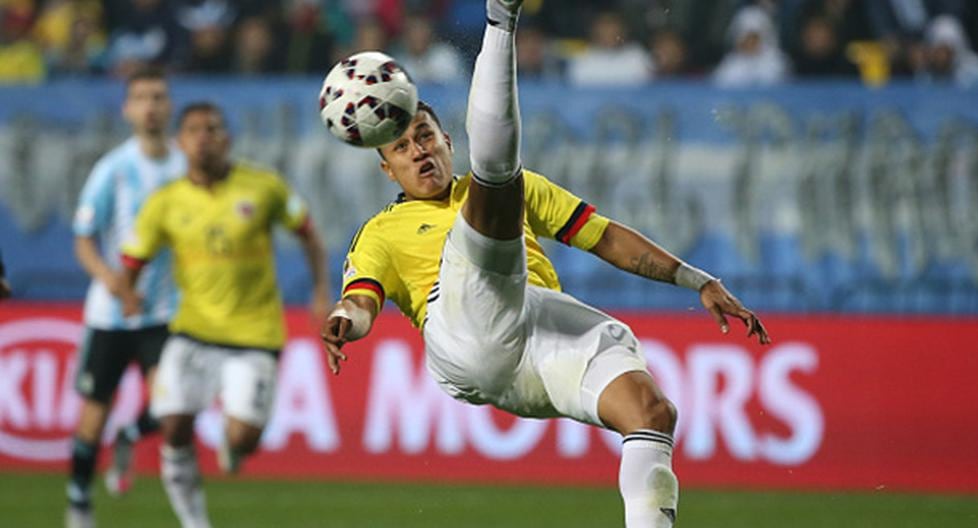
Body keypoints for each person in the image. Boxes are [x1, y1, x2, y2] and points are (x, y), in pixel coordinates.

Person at [321, 2, 770, 527]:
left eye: (425, 136)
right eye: (402, 147)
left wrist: (698, 279)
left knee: (652, 413)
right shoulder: (381, 231)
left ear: (446, 141)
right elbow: (361, 302)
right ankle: (501, 18)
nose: (419, 151)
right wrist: (344, 324)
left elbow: (602, 237)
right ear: (387, 168)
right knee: (497, 185)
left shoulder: (513, 191)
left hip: (537, 334)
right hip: (465, 332)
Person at [118, 101, 329, 528]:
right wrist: (128, 295)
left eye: (213, 128)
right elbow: (132, 261)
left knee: (244, 438)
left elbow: (307, 234)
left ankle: (236, 447)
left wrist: (321, 291)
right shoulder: (165, 203)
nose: (203, 137)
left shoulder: (263, 186)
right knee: (173, 425)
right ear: (180, 142)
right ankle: (195, 522)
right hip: (192, 332)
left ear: (227, 138)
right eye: (194, 130)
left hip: (254, 336)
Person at [66, 66, 186, 528]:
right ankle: (78, 500)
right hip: (111, 315)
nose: (151, 106)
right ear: (128, 108)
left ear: (169, 105)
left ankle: (130, 435)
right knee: (91, 421)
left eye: (158, 96)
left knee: (171, 408)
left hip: (165, 313)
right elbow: (83, 238)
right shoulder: (113, 169)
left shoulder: (184, 168)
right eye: (142, 98)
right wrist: (113, 280)